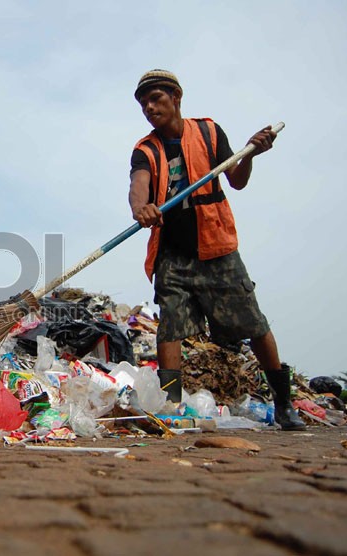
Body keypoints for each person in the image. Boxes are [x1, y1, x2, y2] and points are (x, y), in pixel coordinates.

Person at [128, 69, 305, 431]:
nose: (149, 107)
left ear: (176, 98)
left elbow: (236, 180)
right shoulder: (146, 148)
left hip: (217, 246)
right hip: (173, 254)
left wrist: (251, 153)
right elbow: (138, 184)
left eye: (156, 99)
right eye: (143, 102)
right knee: (170, 329)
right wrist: (141, 208)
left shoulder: (208, 132)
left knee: (253, 323)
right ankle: (173, 405)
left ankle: (285, 404)